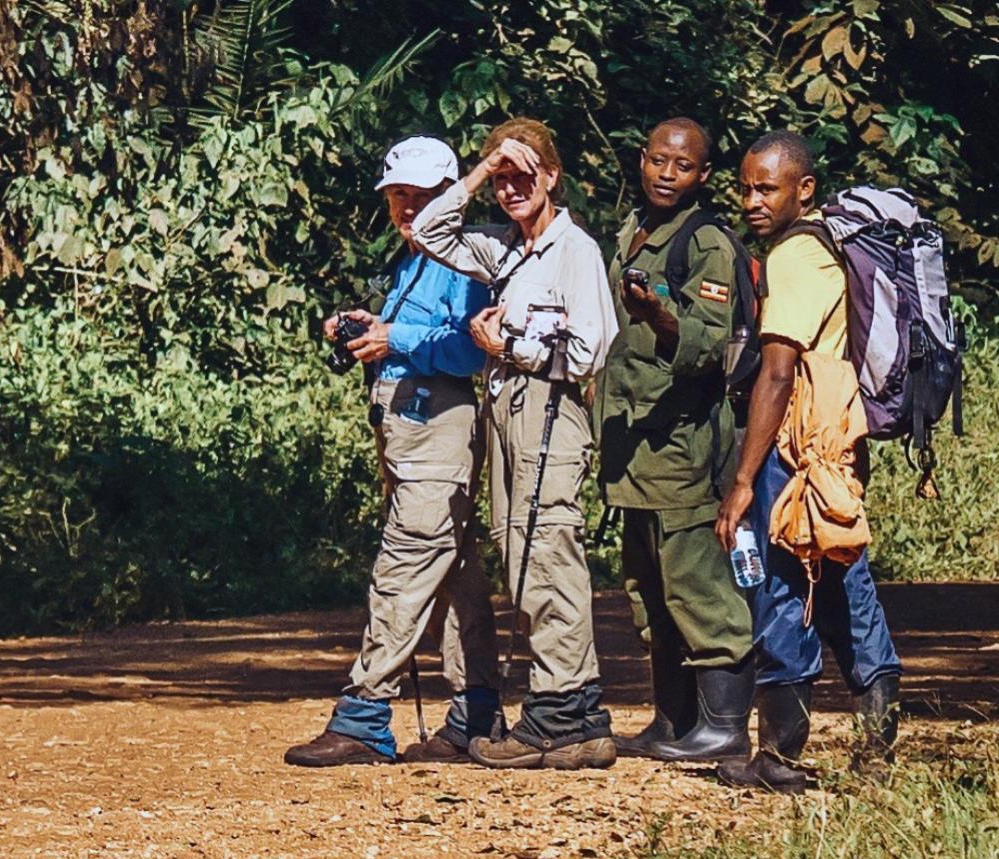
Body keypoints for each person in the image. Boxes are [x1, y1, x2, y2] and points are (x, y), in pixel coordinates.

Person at [284, 135, 502, 767]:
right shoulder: (410, 264)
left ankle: (364, 715)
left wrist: (394, 337)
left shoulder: (464, 261)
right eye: (398, 195)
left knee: (403, 567)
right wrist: (364, 327)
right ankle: (475, 715)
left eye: (421, 195)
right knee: (456, 572)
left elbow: (469, 349)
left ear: (446, 194)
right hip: (408, 433)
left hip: (439, 429)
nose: (407, 207)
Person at [411, 118, 620, 769]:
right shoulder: (504, 249)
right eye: (501, 179)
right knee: (524, 556)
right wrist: (477, 171)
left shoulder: (573, 250)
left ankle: (559, 714)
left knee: (548, 553)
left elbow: (589, 351)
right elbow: (427, 230)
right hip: (508, 413)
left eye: (522, 176)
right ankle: (577, 719)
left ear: (552, 177)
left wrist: (513, 348)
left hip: (550, 413)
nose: (510, 189)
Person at [713, 131, 903, 793]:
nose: (752, 201)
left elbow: (777, 373)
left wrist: (742, 482)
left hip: (795, 451)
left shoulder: (796, 254)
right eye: (745, 187)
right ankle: (875, 752)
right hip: (834, 444)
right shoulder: (828, 246)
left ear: (805, 189)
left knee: (785, 590)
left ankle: (781, 757)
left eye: (767, 187)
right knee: (842, 585)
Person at [594, 118, 756, 762]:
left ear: (703, 175)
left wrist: (663, 318)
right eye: (658, 160)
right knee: (648, 588)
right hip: (631, 446)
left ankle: (724, 726)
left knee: (696, 585)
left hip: (681, 444)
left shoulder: (706, 242)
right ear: (642, 159)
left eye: (682, 166)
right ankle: (673, 720)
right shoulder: (633, 230)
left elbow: (708, 346)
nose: (666, 173)